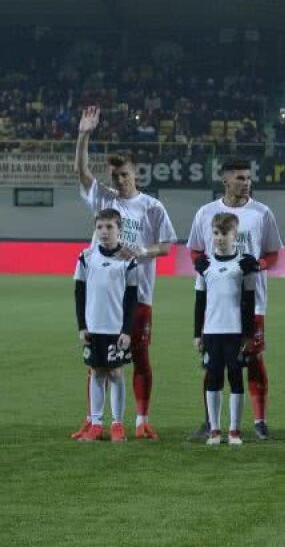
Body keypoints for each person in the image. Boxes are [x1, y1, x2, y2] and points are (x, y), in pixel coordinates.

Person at [73, 106, 177, 441]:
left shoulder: (152, 206)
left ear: (136, 174)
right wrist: (83, 134)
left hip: (138, 293)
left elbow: (166, 246)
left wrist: (141, 252)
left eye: (124, 175)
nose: (119, 180)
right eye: (115, 175)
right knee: (97, 360)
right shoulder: (104, 199)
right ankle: (93, 420)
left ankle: (141, 420)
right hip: (102, 296)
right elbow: (81, 172)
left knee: (140, 357)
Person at [187, 159, 284, 441]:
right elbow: (195, 251)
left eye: (249, 178)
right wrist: (202, 266)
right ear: (226, 180)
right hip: (217, 305)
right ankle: (210, 421)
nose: (246, 183)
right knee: (212, 363)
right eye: (240, 178)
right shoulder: (206, 213)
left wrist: (258, 266)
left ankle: (259, 421)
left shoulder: (262, 213)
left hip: (252, 301)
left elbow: (273, 254)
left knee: (253, 357)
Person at [193, 212, 258, 447]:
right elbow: (200, 301)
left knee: (236, 378)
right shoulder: (204, 265)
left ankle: (234, 430)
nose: (220, 238)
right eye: (216, 233)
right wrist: (197, 333)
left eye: (225, 233)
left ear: (235, 235)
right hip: (211, 332)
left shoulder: (244, 264)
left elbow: (250, 301)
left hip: (235, 332)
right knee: (213, 378)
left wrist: (249, 334)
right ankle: (215, 429)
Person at [73, 209, 137, 442]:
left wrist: (127, 330)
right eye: (100, 227)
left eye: (109, 227)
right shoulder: (86, 256)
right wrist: (82, 326)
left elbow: (132, 298)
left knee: (117, 373)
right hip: (93, 327)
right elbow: (79, 294)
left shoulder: (128, 258)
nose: (104, 232)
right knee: (97, 372)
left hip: (115, 328)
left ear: (119, 230)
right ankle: (97, 424)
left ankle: (117, 424)